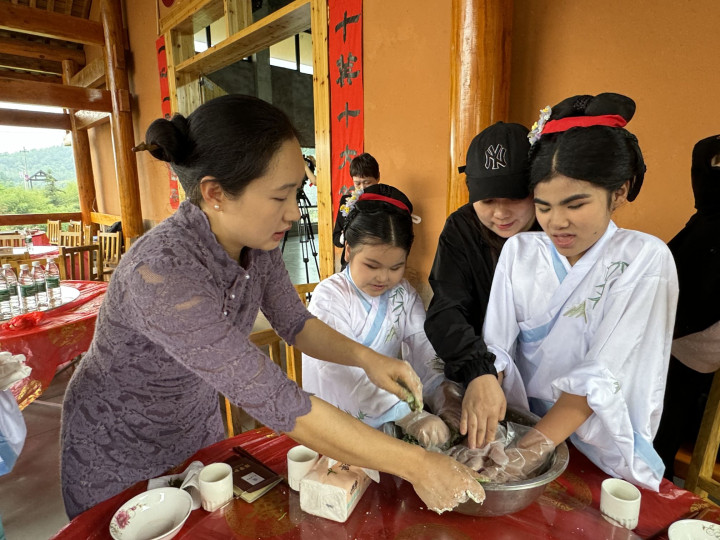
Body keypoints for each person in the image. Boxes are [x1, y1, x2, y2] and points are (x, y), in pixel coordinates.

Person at [60, 95, 484, 519]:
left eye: (297, 193)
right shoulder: (162, 273)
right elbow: (279, 400)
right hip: (119, 443)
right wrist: (417, 464)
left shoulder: (258, 246)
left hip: (194, 427)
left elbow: (296, 324)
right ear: (215, 193)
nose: (294, 213)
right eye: (280, 197)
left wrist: (367, 358)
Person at [479, 93, 678, 490]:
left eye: (575, 205)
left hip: (597, 443)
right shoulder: (520, 252)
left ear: (618, 192)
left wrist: (530, 452)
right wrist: (483, 404)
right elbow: (497, 347)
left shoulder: (643, 259)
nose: (557, 222)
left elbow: (600, 375)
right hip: (520, 424)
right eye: (544, 207)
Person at [303, 184, 456, 449]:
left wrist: (444, 394)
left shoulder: (404, 294)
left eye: (396, 267)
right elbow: (339, 370)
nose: (383, 277)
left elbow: (423, 347)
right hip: (335, 421)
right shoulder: (330, 297)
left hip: (385, 419)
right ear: (348, 250)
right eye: (371, 265)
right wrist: (409, 416)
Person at [424, 122, 538, 448]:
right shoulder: (461, 228)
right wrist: (479, 369)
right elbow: (447, 307)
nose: (500, 213)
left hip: (548, 384)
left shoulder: (555, 233)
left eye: (515, 196)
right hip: (480, 374)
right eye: (487, 200)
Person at [653, 134, 720, 480]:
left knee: (663, 425)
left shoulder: (712, 227)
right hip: (680, 347)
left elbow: (697, 303)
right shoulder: (705, 222)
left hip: (688, 351)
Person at [332, 153, 381, 269]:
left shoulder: (386, 202)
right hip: (350, 265)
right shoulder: (346, 201)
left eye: (367, 182)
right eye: (357, 183)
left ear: (378, 178)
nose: (362, 188)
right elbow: (336, 238)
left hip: (378, 264)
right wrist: (344, 236)